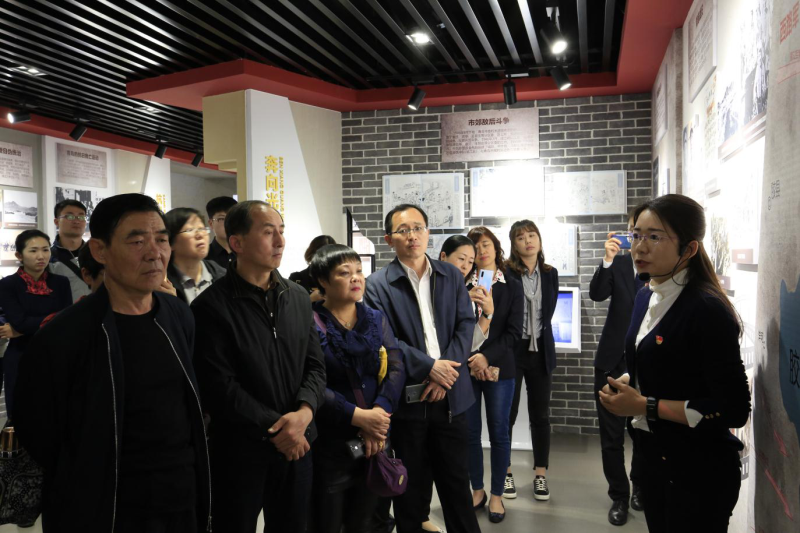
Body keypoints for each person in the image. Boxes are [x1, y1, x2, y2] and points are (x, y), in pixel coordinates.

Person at [14, 194, 211, 532]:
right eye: (137, 241)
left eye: (162, 239)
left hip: (180, 497)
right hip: (104, 506)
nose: (154, 252)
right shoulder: (64, 334)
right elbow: (38, 430)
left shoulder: (178, 315)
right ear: (100, 250)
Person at [599, 194, 751, 533]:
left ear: (689, 248)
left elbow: (733, 409)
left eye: (655, 237)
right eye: (636, 235)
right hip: (654, 461)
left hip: (699, 472)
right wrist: (631, 380)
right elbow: (665, 360)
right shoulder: (646, 294)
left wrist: (644, 405)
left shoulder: (706, 309)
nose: (639, 247)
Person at [192, 200, 327, 533]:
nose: (280, 241)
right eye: (268, 233)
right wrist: (281, 428)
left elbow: (315, 367)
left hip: (299, 445)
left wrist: (304, 414)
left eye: (281, 231)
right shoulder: (211, 306)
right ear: (236, 243)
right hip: (242, 449)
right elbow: (219, 387)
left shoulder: (297, 296)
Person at [364, 204, 480, 533]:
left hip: (453, 399)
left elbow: (465, 324)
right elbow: (386, 340)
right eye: (403, 230)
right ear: (389, 239)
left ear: (428, 233)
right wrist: (430, 367)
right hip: (408, 403)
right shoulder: (377, 285)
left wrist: (446, 374)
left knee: (457, 488)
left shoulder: (450, 275)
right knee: (410, 493)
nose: (412, 235)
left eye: (417, 228)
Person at [307, 244, 405, 533]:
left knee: (366, 520)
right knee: (327, 521)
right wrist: (358, 417)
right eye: (344, 273)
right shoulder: (310, 323)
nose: (356, 278)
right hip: (331, 441)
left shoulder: (374, 318)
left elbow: (396, 366)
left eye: (359, 271)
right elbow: (310, 381)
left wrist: (379, 414)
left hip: (376, 438)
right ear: (323, 281)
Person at [464, 227, 523, 523]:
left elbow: (514, 332)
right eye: (475, 247)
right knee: (470, 433)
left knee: (499, 432)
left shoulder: (511, 283)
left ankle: (497, 495)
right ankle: (478, 490)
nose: (481, 251)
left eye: (486, 244)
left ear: (496, 247)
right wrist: (472, 358)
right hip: (467, 368)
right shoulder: (462, 283)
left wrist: (487, 357)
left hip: (501, 368)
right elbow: (455, 326)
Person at [589, 210, 645, 525]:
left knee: (642, 432)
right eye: (633, 231)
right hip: (611, 360)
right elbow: (597, 294)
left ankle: (640, 486)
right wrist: (607, 260)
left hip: (646, 363)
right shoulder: (620, 264)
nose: (638, 238)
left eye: (647, 232)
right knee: (611, 438)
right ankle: (619, 497)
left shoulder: (663, 269)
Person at [505, 219, 559, 501]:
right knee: (508, 415)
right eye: (520, 237)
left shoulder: (550, 274)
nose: (527, 241)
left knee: (540, 416)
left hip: (541, 352)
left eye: (531, 235)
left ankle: (540, 474)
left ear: (539, 239)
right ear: (513, 245)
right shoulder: (505, 273)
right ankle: (505, 472)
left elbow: (548, 313)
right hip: (513, 350)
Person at [0, 230, 72, 418]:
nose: (41, 256)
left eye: (45, 250)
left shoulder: (61, 283)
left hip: (55, 354)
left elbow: (67, 321)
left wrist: (22, 328)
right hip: (21, 355)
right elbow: (20, 323)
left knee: (55, 412)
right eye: (33, 251)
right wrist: (53, 319)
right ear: (19, 255)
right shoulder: (8, 285)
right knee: (21, 414)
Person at [165, 207, 226, 305]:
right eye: (189, 230)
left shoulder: (222, 275)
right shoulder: (162, 283)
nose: (200, 235)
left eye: (202, 228)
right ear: (170, 242)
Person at [49, 199, 92, 302]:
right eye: (70, 216)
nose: (76, 221)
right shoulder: (48, 257)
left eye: (81, 217)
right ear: (56, 222)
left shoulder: (95, 254)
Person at [290, 234, 337, 302]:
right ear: (312, 254)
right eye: (321, 255)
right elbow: (290, 305)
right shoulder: (296, 278)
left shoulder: (338, 278)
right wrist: (310, 299)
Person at [205, 196, 237, 269]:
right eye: (222, 219)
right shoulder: (203, 256)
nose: (228, 223)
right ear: (211, 223)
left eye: (233, 218)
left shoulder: (247, 254)